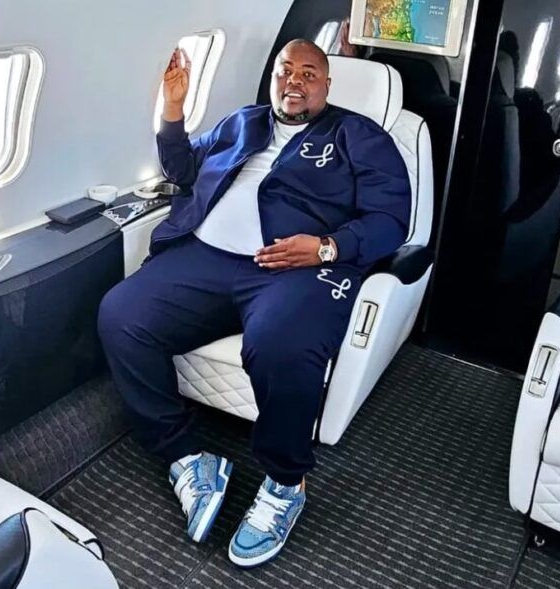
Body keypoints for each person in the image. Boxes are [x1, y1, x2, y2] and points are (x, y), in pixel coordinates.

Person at [98, 39, 410, 567]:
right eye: (286, 70)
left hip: (295, 267)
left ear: (327, 84)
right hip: (205, 258)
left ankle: (286, 481)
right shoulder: (242, 122)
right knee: (120, 314)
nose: (295, 81)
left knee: (281, 346)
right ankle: (185, 457)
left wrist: (327, 247)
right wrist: (172, 108)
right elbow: (182, 170)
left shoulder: (360, 136)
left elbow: (390, 221)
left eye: (309, 73)